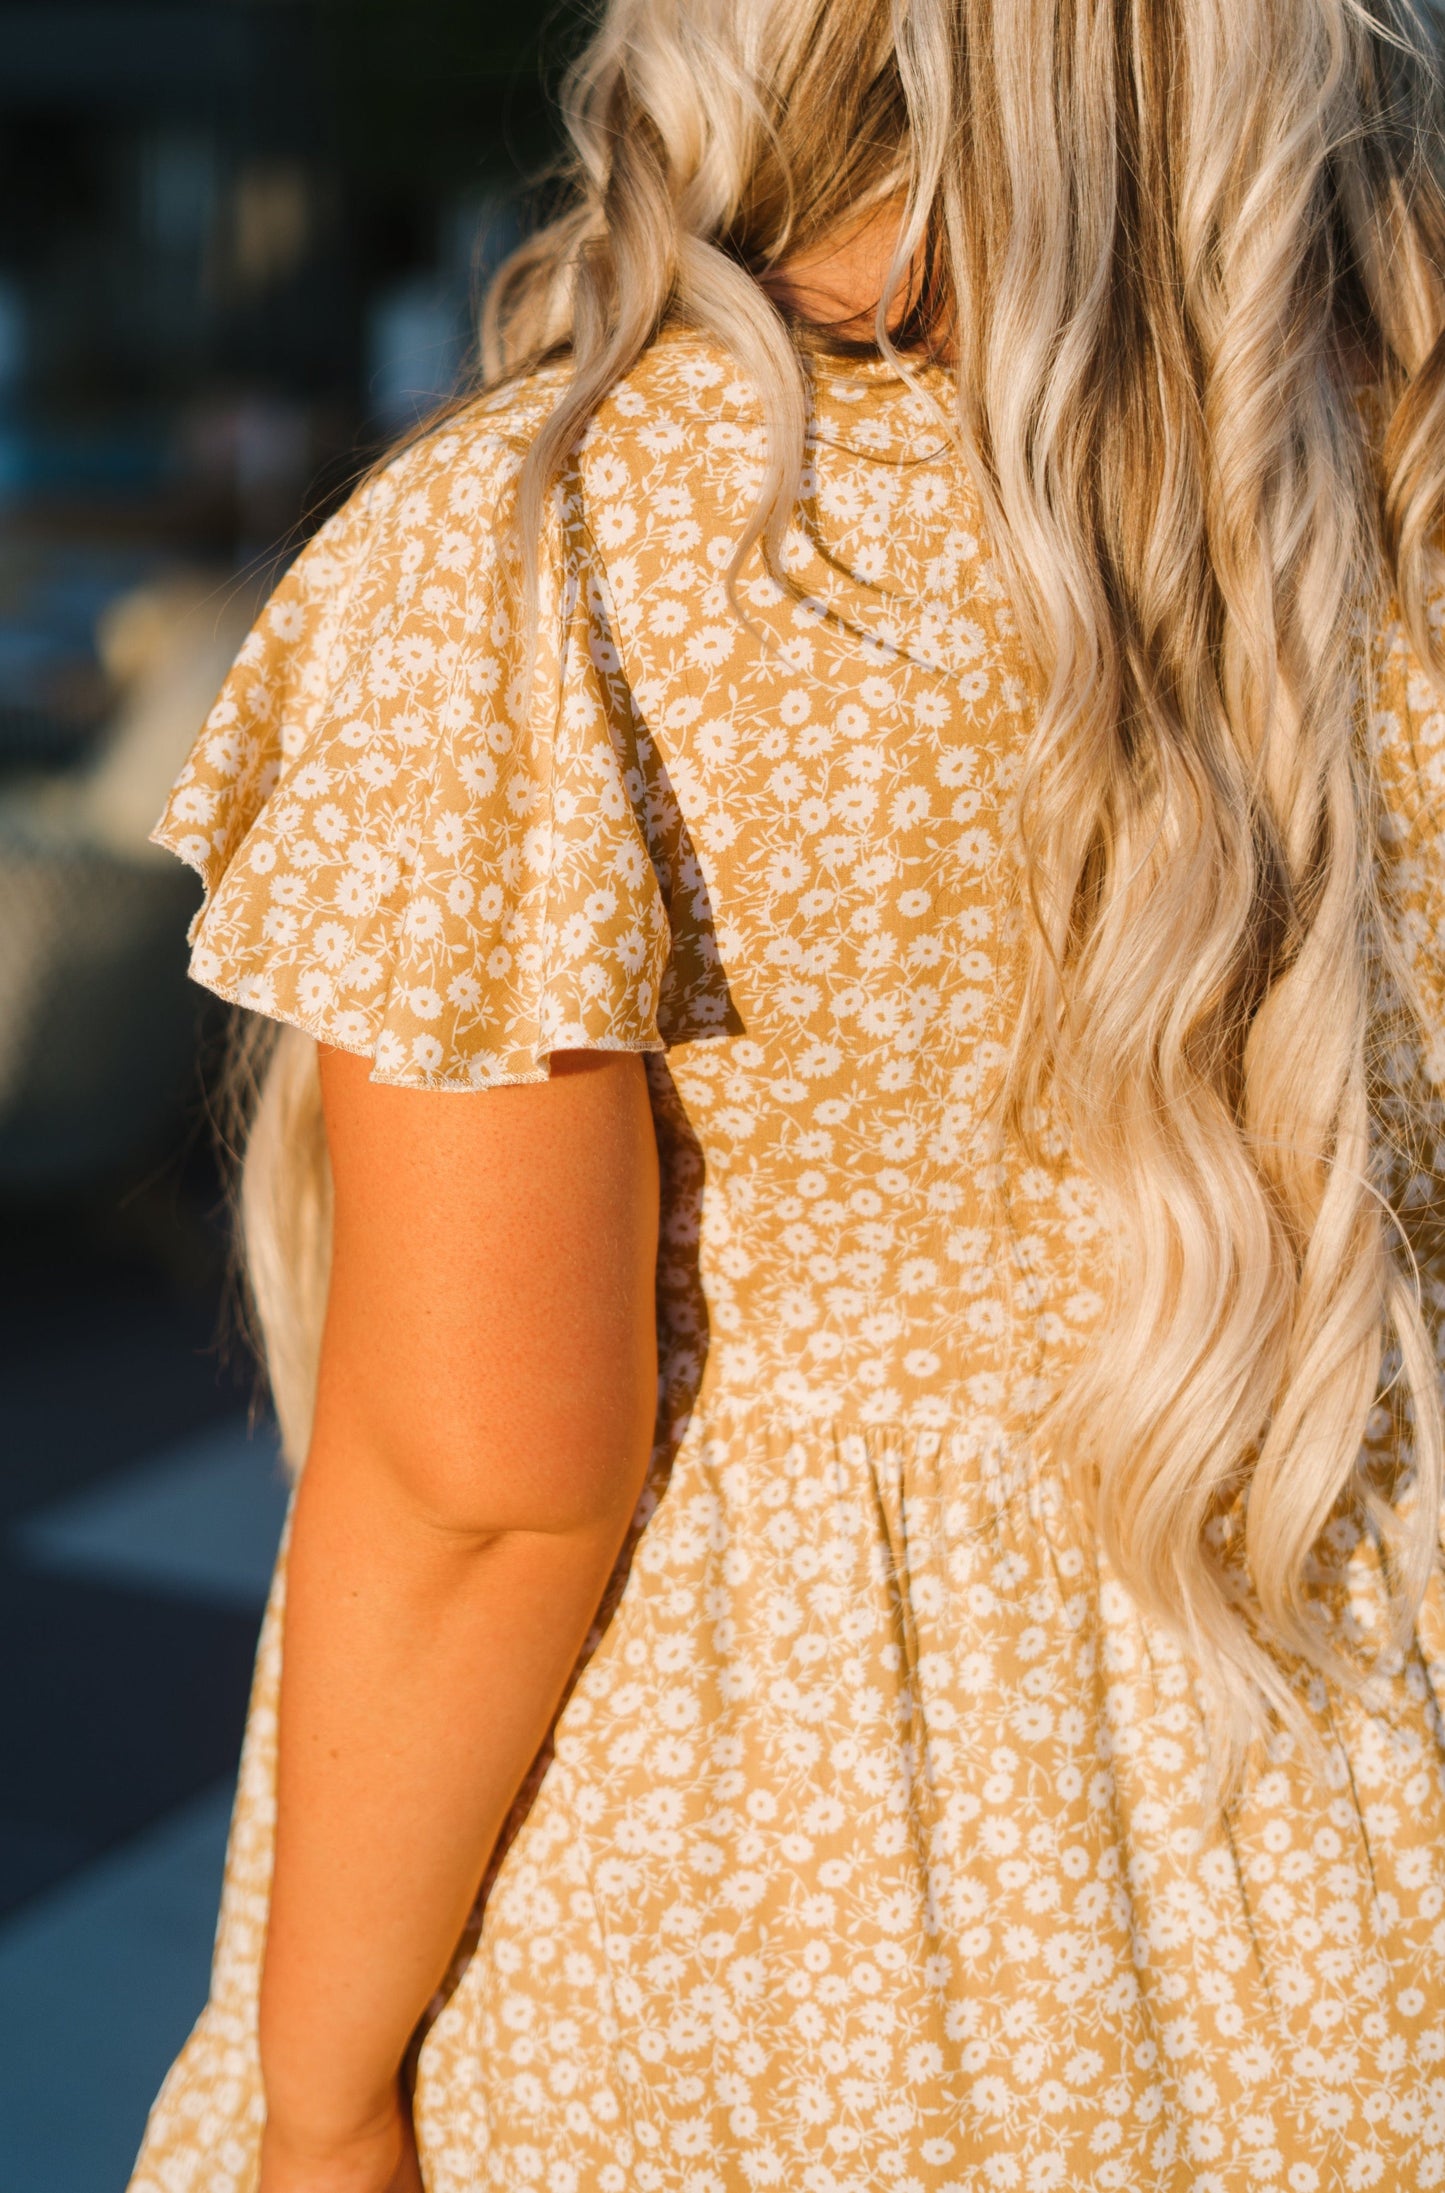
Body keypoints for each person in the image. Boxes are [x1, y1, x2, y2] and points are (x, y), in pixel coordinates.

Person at [129, 2, 1445, 2187]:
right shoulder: (1390, 487)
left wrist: (325, 2096)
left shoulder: (563, 548)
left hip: (782, 1926)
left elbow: (488, 1491)